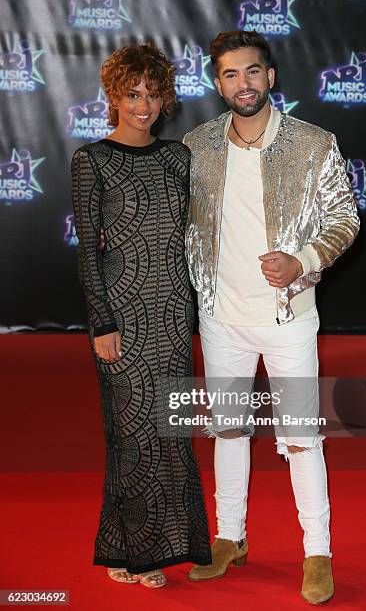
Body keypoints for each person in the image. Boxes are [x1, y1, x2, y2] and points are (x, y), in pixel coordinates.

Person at [183, 31, 359, 603]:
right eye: (231, 75)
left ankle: (317, 552)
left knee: (303, 437)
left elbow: (344, 218)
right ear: (217, 83)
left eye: (253, 72)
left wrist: (302, 260)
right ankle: (228, 538)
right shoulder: (196, 146)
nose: (244, 84)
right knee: (228, 430)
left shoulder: (313, 143)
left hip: (288, 319)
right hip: (220, 319)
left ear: (271, 77)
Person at [71, 42, 211, 589]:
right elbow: (88, 250)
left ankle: (162, 545)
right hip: (123, 316)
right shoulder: (93, 160)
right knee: (132, 435)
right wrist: (101, 323)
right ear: (113, 96)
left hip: (175, 311)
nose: (143, 106)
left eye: (153, 95)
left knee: (169, 430)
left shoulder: (179, 158)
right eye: (133, 95)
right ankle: (138, 553)